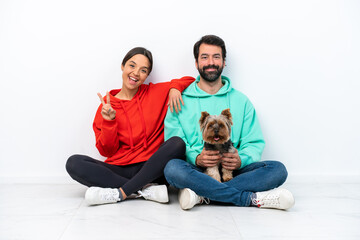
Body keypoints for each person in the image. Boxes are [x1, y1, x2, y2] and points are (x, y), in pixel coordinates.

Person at [163, 35, 295, 210]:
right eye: (204, 57)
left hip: (232, 171)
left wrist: (240, 160)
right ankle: (249, 199)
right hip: (195, 169)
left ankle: (202, 195)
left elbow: (253, 143)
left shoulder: (242, 101)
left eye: (216, 56)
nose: (211, 62)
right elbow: (173, 143)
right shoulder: (180, 99)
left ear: (224, 62)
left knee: (278, 170)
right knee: (172, 168)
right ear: (196, 63)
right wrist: (197, 158)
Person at [66, 47, 194, 205]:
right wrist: (109, 121)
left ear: (147, 75)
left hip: (152, 167)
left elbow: (191, 80)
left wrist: (175, 88)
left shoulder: (154, 92)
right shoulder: (106, 106)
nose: (135, 73)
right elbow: (107, 151)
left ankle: (122, 192)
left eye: (143, 70)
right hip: (120, 167)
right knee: (73, 163)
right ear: (123, 66)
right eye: (132, 66)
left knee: (177, 143)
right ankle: (144, 190)